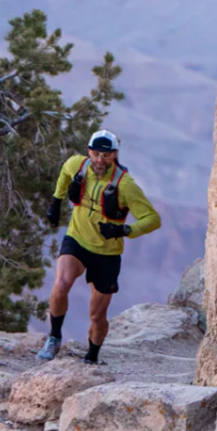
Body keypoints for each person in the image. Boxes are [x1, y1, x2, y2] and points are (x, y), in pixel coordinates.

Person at [38, 130, 161, 364]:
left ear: (114, 154)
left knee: (97, 314)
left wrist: (124, 230)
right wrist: (56, 200)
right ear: (88, 151)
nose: (99, 160)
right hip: (77, 239)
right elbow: (65, 171)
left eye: (105, 155)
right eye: (95, 154)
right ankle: (54, 337)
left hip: (107, 252)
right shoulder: (77, 165)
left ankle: (92, 357)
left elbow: (153, 219)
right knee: (61, 283)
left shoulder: (126, 185)